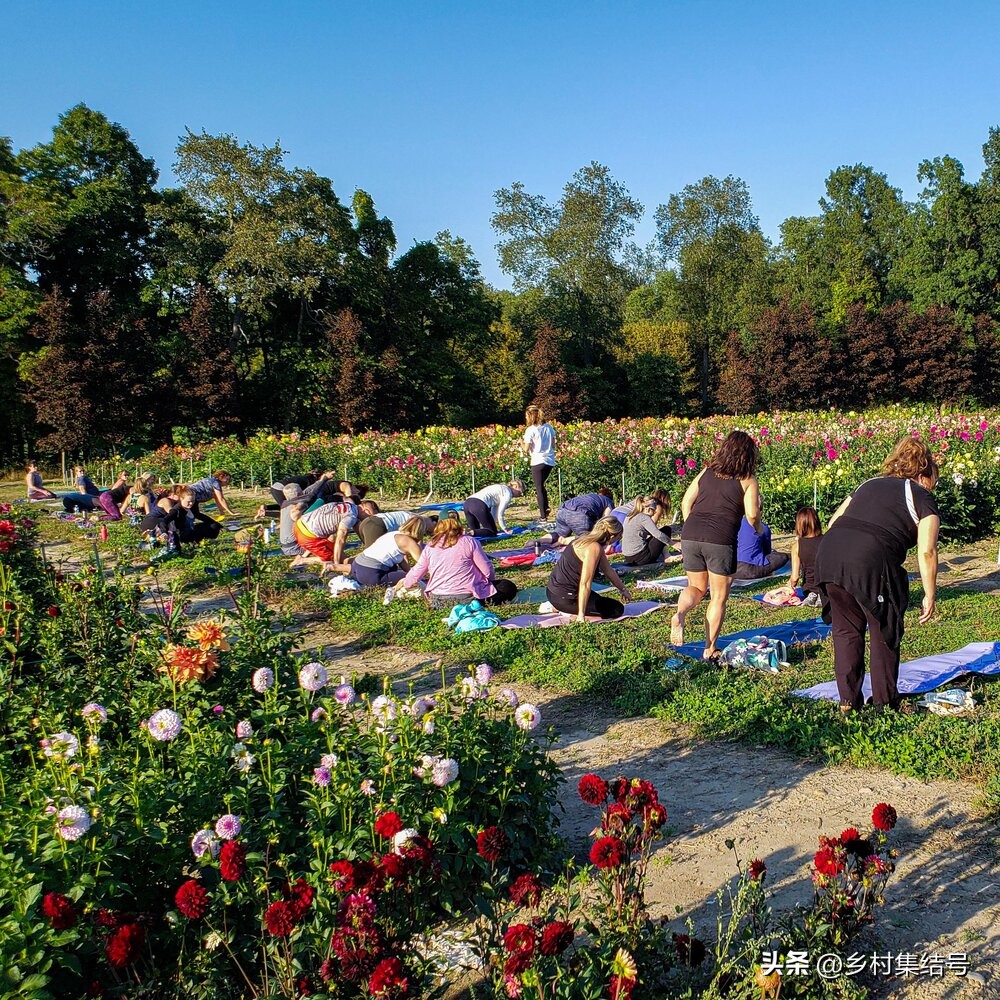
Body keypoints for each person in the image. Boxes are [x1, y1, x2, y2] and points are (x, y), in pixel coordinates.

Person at [815, 437, 939, 713]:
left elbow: (834, 521)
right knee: (884, 628)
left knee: (846, 630)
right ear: (923, 474)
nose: (933, 487)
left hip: (831, 555)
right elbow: (927, 551)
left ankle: (848, 702)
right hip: (870, 559)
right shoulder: (920, 495)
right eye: (933, 480)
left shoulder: (867, 484)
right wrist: (930, 594)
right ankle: (885, 703)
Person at [671, 430, 762, 661]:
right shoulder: (747, 479)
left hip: (690, 534)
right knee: (718, 596)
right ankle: (709, 648)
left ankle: (680, 613)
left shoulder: (707, 471)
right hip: (720, 539)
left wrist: (691, 524)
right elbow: (752, 514)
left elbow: (686, 502)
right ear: (748, 454)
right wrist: (758, 528)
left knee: (697, 588)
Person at [398, 515, 517, 609]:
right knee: (507, 586)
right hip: (466, 598)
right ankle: (476, 604)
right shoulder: (469, 542)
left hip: (437, 599)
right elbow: (486, 568)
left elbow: (417, 571)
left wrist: (407, 584)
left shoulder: (431, 546)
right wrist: (489, 582)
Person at [545, 516, 632, 621]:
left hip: (553, 592)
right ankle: (568, 612)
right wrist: (581, 614)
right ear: (612, 536)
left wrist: (623, 589)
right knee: (616, 610)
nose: (619, 539)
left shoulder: (585, 538)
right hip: (564, 597)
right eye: (619, 536)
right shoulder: (593, 548)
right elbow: (585, 583)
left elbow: (608, 570)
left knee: (604, 602)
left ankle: (563, 608)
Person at [292, 499, 377, 572]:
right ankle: (302, 560)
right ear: (367, 511)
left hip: (299, 524)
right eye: (370, 517)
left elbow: (357, 528)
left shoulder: (348, 506)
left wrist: (369, 545)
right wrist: (336, 564)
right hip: (307, 536)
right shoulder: (351, 516)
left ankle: (304, 556)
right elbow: (341, 537)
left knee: (332, 540)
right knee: (334, 560)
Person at [349, 516, 430, 588]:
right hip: (370, 573)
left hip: (357, 566)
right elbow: (423, 563)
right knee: (411, 579)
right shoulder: (409, 542)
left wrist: (409, 570)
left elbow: (400, 560)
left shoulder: (393, 534)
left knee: (396, 569)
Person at [733, 498, 789, 580]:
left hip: (733, 568)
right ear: (761, 512)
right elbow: (767, 551)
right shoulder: (763, 527)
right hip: (751, 570)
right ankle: (767, 571)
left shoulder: (736, 523)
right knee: (783, 557)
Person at [539, 489, 615, 547]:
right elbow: (604, 521)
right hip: (578, 514)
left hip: (562, 510)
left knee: (559, 533)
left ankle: (537, 541)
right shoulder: (608, 502)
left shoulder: (591, 496)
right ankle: (565, 541)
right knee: (588, 537)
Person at [521, 405, 557, 521]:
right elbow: (553, 444)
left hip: (537, 461)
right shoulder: (549, 427)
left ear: (530, 416)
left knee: (539, 488)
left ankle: (542, 517)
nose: (526, 418)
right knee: (541, 486)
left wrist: (520, 443)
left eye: (526, 416)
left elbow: (526, 449)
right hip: (549, 461)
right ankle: (545, 509)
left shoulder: (530, 430)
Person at [621, 496, 675, 566]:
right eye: (654, 510)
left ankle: (667, 556)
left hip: (629, 558)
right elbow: (658, 534)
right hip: (641, 558)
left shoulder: (630, 516)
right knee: (666, 530)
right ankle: (667, 557)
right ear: (648, 509)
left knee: (660, 536)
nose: (655, 512)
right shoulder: (644, 517)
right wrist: (673, 543)